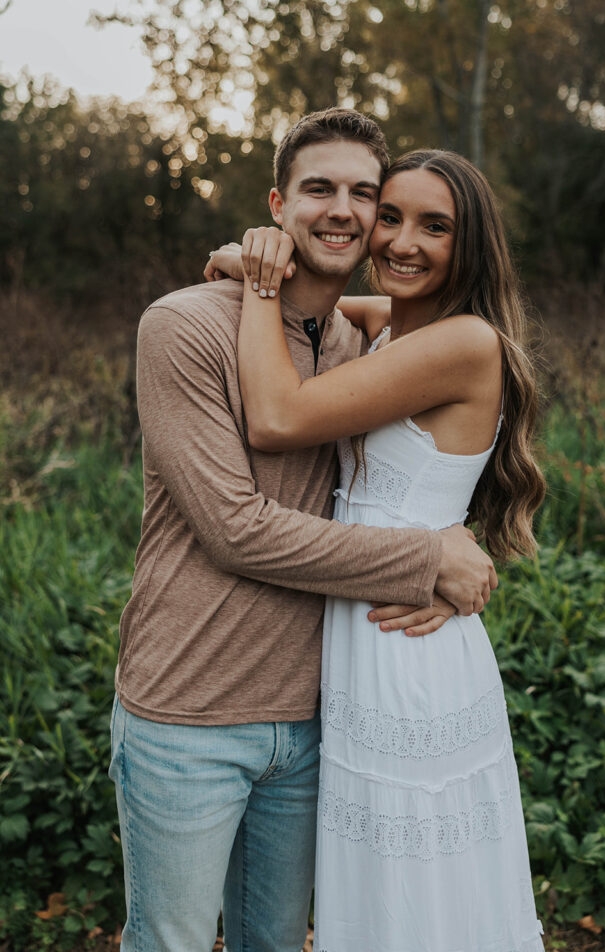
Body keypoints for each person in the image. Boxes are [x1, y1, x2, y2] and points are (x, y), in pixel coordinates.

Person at [111, 110, 498, 952]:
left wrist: (450, 544)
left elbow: (427, 462)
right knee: (170, 942)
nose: (345, 210)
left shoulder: (362, 336)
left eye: (366, 194)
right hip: (191, 712)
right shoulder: (182, 327)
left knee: (278, 944)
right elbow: (237, 531)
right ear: (278, 205)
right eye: (320, 188)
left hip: (323, 710)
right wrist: (424, 557)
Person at [211, 148, 546, 952]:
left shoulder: (463, 342)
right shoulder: (395, 325)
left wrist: (259, 282)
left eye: (435, 227)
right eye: (388, 216)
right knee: (378, 876)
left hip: (407, 648)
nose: (401, 241)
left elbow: (278, 420)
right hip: (368, 628)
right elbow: (348, 308)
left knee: (418, 884)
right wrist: (249, 252)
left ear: (471, 247)